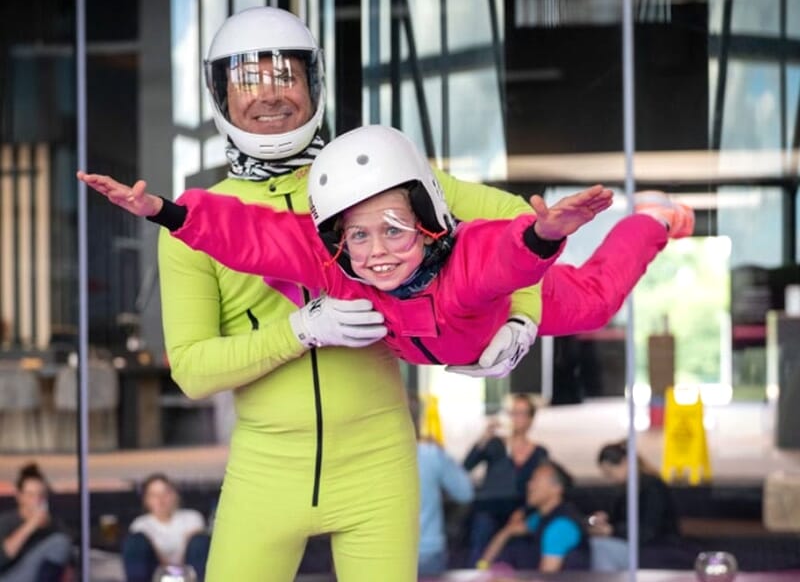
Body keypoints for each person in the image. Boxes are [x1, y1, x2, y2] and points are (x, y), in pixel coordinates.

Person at [81, 5, 691, 581]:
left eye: (285, 74)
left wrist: (521, 319)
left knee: (588, 296)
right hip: (266, 470)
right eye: (248, 78)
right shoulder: (201, 218)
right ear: (220, 94)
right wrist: (298, 332)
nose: (269, 92)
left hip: (379, 463)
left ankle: (652, 222)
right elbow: (192, 371)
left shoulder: (372, 172)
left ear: (314, 82)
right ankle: (652, 222)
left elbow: (514, 226)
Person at [78, 125, 614, 366]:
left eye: (393, 230)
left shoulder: (462, 269)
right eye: (358, 235)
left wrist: (543, 236)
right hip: (436, 344)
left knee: (596, 303)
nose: (377, 251)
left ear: (427, 226)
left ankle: (657, 224)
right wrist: (165, 212)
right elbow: (252, 236)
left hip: (496, 315)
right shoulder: (339, 270)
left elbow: (502, 256)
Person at [462, 393, 549, 566]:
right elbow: (467, 466)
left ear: (531, 419)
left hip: (518, 511)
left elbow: (541, 486)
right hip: (489, 507)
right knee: (481, 536)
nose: (517, 419)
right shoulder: (495, 444)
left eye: (522, 413)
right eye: (513, 413)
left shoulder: (539, 453)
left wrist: (524, 511)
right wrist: (485, 437)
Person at [477, 460, 588, 573]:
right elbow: (508, 531)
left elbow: (546, 578)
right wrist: (482, 568)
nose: (529, 485)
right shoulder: (540, 518)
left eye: (536, 481)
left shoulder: (560, 526)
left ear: (556, 488)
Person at [587, 440, 681, 572]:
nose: (610, 478)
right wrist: (606, 521)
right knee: (598, 546)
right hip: (637, 546)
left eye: (610, 472)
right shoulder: (625, 490)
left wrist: (612, 530)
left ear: (626, 462)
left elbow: (649, 530)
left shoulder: (652, 488)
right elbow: (621, 520)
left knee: (601, 547)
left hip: (656, 547)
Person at [122, 473, 210, 582]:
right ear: (146, 500)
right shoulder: (140, 523)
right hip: (154, 573)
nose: (160, 500)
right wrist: (167, 571)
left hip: (189, 571)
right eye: (154, 495)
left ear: (175, 495)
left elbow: (196, 549)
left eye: (165, 493)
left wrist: (176, 571)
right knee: (135, 542)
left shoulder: (192, 516)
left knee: (200, 541)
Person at [0, 463, 72, 582]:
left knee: (60, 542)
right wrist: (30, 525)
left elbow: (68, 562)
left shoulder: (53, 524)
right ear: (20, 496)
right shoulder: (5, 521)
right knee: (59, 542)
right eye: (30, 495)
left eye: (41, 495)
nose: (36, 500)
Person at [416, 435, 474, 578]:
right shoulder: (430, 454)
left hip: (380, 551)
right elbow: (465, 492)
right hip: (427, 550)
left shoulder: (370, 457)